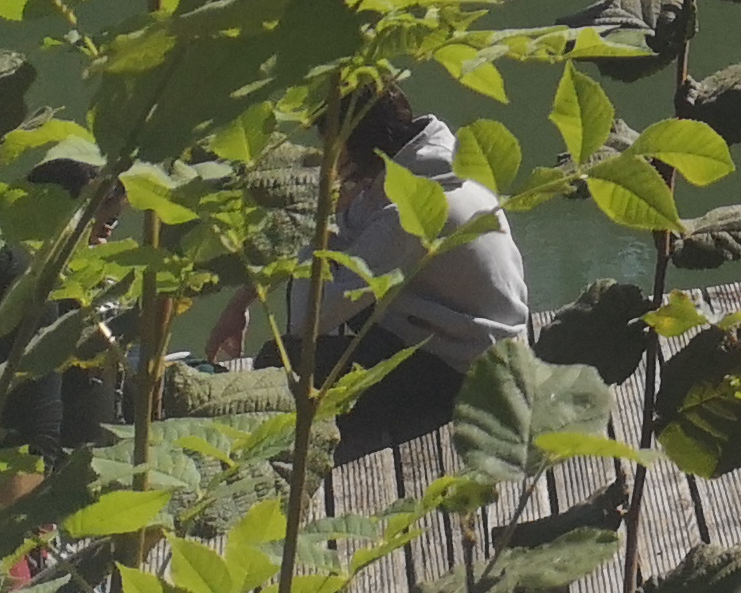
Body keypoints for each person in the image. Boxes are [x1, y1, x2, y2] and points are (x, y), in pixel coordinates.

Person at [209, 87, 532, 458]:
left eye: (329, 143)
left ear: (352, 143)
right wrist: (242, 301)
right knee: (312, 346)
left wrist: (323, 217)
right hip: (463, 335)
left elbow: (306, 318)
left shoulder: (411, 212)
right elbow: (344, 236)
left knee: (284, 366)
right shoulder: (422, 165)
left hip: (469, 374)